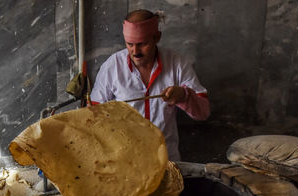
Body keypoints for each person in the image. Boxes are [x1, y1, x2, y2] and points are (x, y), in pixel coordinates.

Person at [90, 9, 210, 161]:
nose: (135, 51)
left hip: (166, 161)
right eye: (130, 44)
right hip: (125, 163)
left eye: (142, 44)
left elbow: (204, 112)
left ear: (157, 37)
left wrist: (184, 96)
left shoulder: (176, 63)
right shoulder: (112, 67)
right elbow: (92, 115)